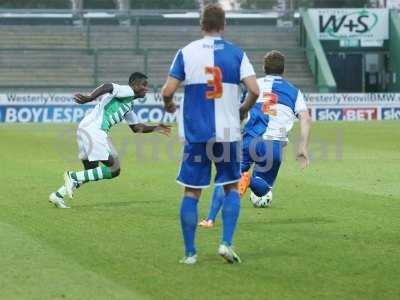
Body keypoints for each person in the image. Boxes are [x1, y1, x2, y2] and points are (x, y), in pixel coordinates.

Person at [161, 3, 259, 265]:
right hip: (227, 134)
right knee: (230, 189)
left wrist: (169, 105)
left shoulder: (186, 52)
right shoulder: (237, 54)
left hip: (197, 135)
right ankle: (226, 243)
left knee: (191, 193)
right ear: (223, 26)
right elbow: (255, 90)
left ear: (201, 24)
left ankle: (190, 253)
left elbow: (167, 91)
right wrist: (243, 109)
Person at [199, 50, 311, 228]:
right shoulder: (294, 92)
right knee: (263, 189)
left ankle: (210, 219)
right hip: (272, 146)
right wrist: (302, 147)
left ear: (264, 68)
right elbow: (305, 118)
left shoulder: (254, 86)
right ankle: (248, 180)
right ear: (284, 69)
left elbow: (241, 113)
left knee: (226, 177)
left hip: (247, 141)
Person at [49, 72, 171, 208]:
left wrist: (156, 128)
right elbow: (108, 86)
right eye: (143, 85)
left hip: (86, 128)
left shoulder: (128, 104)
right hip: (95, 130)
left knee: (91, 171)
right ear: (135, 84)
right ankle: (72, 176)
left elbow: (136, 127)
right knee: (114, 169)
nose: (146, 89)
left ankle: (58, 195)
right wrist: (90, 97)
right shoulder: (127, 90)